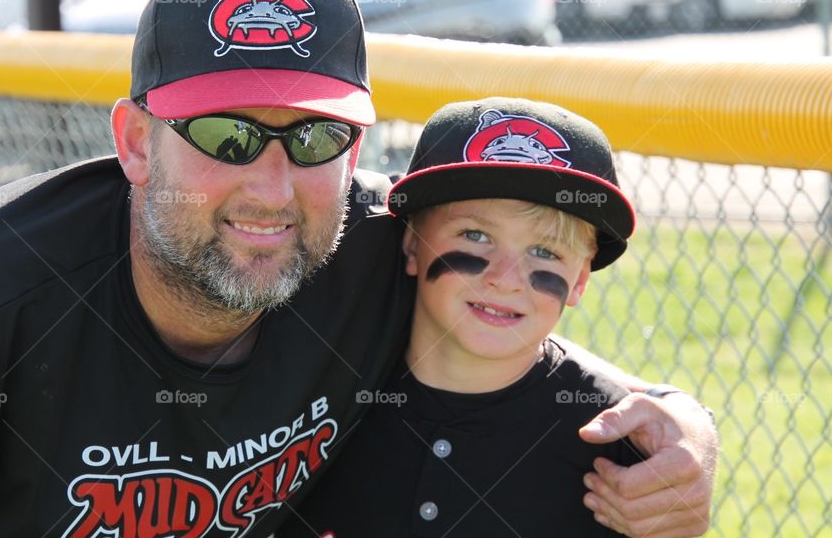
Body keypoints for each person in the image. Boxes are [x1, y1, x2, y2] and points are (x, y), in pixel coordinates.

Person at [0, 0, 714, 537]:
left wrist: (683, 424)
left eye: (315, 139)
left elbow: (506, 303)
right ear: (136, 142)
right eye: (228, 136)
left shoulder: (376, 243)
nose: (274, 189)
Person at [279, 97, 664, 536]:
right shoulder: (325, 403)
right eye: (476, 235)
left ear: (579, 280)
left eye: (545, 251)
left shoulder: (611, 449)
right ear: (410, 244)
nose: (506, 279)